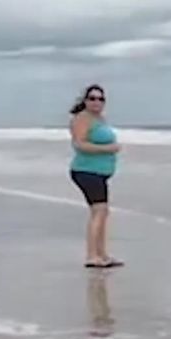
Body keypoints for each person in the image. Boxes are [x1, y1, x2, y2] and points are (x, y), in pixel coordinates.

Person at [68, 84, 123, 268]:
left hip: (99, 172)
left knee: (102, 211)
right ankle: (92, 256)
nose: (96, 102)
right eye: (92, 98)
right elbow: (80, 144)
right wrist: (108, 149)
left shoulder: (99, 118)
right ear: (85, 100)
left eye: (100, 99)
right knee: (98, 211)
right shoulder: (82, 119)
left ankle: (102, 254)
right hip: (86, 171)